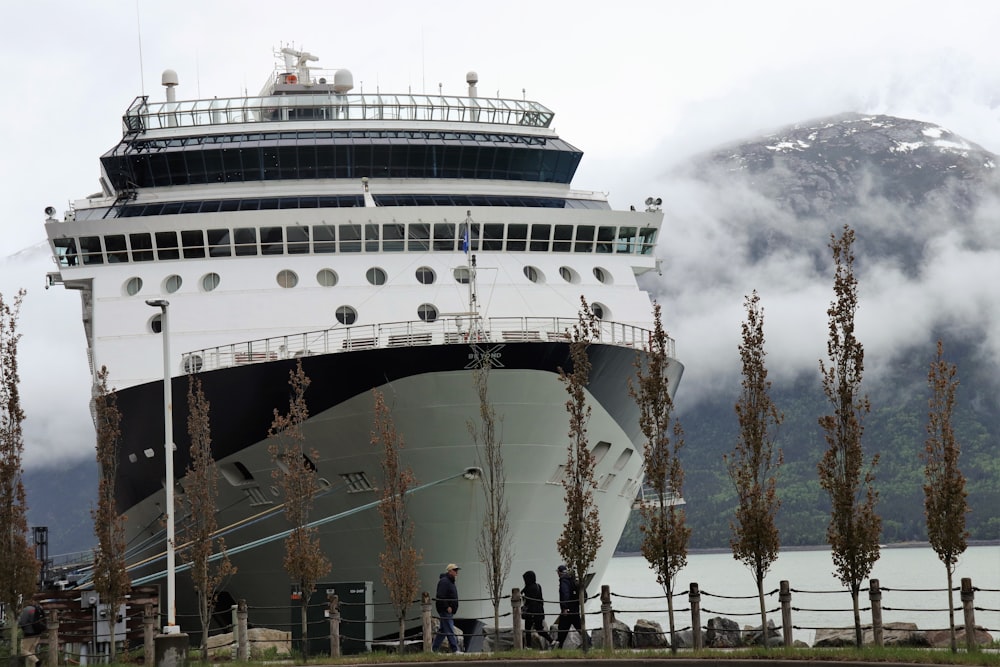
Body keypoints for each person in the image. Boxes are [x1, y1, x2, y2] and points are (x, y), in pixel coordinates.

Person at [432, 563, 462, 653]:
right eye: (455, 570)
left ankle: (434, 649)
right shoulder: (445, 581)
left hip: (448, 610)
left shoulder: (450, 581)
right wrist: (447, 606)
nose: (457, 572)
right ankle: (455, 649)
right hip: (445, 610)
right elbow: (440, 596)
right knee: (449, 629)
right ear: (450, 571)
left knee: (443, 630)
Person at [555, 564, 586, 649]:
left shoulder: (563, 581)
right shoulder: (572, 579)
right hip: (575, 608)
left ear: (559, 572)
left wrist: (564, 607)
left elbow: (565, 594)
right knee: (579, 627)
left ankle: (559, 647)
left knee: (562, 629)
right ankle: (589, 643)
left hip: (568, 610)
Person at [521, 570, 552, 648]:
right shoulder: (538, 586)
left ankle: (528, 646)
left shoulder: (528, 588)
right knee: (539, 629)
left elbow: (527, 601)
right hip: (539, 611)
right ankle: (552, 640)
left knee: (527, 629)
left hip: (531, 612)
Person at [18, 602, 47, 667]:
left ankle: (37, 662)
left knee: (23, 651)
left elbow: (22, 622)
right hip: (38, 633)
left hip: (29, 633)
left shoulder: (27, 609)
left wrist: (23, 629)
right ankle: (34, 665)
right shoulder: (38, 608)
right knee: (31, 651)